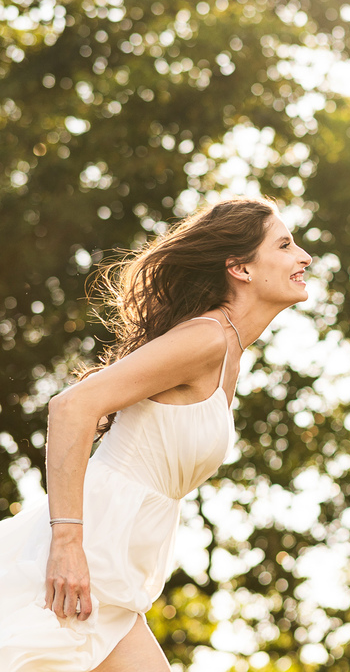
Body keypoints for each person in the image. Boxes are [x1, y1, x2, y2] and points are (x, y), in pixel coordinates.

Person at [0, 197, 311, 671]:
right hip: (86, 549)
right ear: (241, 268)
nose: (304, 256)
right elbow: (71, 407)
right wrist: (66, 545)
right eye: (285, 245)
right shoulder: (207, 339)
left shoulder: (227, 349)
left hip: (118, 562)